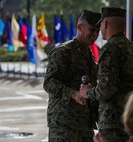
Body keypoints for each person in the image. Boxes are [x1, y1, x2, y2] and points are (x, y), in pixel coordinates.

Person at [80, 7, 133, 142]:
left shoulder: (110, 49)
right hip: (132, 118)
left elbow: (105, 90)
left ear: (106, 24)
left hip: (113, 123)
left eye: (100, 25)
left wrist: (87, 92)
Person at [43, 10, 101, 142]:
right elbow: (49, 83)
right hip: (63, 125)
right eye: (92, 29)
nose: (95, 34)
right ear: (79, 27)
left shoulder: (88, 54)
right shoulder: (63, 52)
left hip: (84, 124)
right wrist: (73, 93)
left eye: (97, 31)